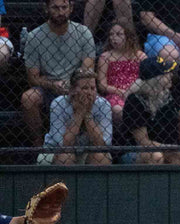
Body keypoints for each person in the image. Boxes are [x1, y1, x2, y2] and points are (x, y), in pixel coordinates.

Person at [21, 0, 96, 147]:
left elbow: (88, 69)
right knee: (28, 98)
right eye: (55, 7)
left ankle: (88, 144)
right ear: (46, 8)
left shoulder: (83, 33)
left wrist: (73, 84)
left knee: (88, 90)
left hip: (77, 83)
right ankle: (38, 145)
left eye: (64, 7)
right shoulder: (35, 37)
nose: (61, 12)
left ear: (71, 8)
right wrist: (52, 85)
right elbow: (32, 77)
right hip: (48, 87)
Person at [118, 56, 180, 164]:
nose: (171, 76)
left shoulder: (167, 94)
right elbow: (143, 142)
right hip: (135, 150)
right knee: (156, 156)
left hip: (165, 147)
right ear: (156, 79)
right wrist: (172, 148)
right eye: (167, 73)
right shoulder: (135, 100)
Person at [39, 69, 113, 165]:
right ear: (73, 90)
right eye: (85, 88)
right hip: (54, 151)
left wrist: (87, 114)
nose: (89, 92)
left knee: (100, 157)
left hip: (90, 152)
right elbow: (64, 146)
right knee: (66, 157)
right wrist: (79, 113)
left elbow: (102, 145)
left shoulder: (103, 105)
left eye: (93, 88)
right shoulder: (58, 104)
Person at [97, 21, 147, 128]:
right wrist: (118, 91)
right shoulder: (105, 57)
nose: (114, 38)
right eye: (111, 34)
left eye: (119, 34)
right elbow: (102, 84)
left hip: (137, 93)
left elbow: (147, 79)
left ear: (128, 36)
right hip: (115, 94)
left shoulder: (140, 56)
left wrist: (132, 91)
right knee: (118, 110)